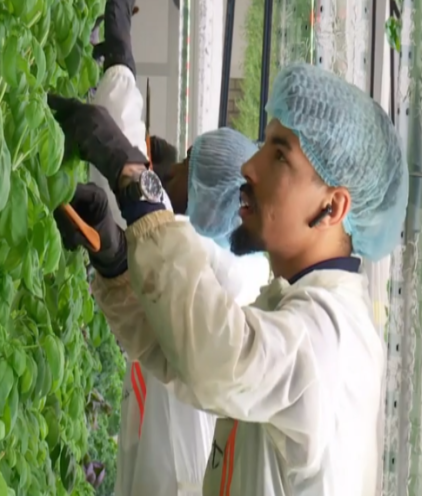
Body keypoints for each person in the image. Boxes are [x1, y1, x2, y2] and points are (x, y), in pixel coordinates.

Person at [48, 61, 408, 495]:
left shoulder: (333, 341)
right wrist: (116, 262)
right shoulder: (292, 305)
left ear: (332, 208)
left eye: (279, 155)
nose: (250, 168)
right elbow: (180, 358)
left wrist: (139, 186)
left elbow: (216, 359)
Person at [79, 1, 269, 494]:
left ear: (206, 202)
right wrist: (115, 260)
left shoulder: (204, 265)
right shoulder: (232, 264)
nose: (170, 169)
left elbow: (130, 172)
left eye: (184, 166)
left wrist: (121, 56)